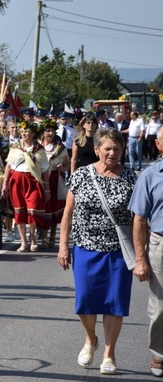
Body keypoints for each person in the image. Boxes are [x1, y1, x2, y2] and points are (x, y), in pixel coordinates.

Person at [57, 128, 136, 376]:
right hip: (85, 248)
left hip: (118, 251)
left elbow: (138, 218)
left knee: (115, 304)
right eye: (108, 148)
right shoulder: (81, 175)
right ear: (97, 150)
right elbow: (67, 213)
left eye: (117, 149)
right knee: (86, 301)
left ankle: (109, 354)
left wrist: (141, 252)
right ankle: (91, 339)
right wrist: (63, 246)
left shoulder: (132, 178)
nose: (112, 153)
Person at [130, 127, 163, 378]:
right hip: (160, 244)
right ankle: (160, 354)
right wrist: (140, 259)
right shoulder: (150, 176)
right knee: (160, 305)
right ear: (159, 145)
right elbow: (139, 219)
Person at [1, 121, 49, 252]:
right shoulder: (15, 147)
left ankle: (33, 237)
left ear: (33, 134)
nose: (23, 133)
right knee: (19, 211)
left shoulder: (39, 149)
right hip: (17, 181)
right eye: (22, 131)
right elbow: (9, 166)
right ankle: (23, 242)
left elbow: (45, 170)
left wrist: (47, 188)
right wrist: (5, 184)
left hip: (33, 181)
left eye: (26, 131)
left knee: (33, 210)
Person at [40, 119, 70, 249]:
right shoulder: (37, 146)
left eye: (52, 130)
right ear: (42, 132)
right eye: (47, 130)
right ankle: (42, 236)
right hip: (40, 180)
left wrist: (61, 167)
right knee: (42, 208)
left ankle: (51, 236)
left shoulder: (60, 147)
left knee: (53, 209)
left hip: (54, 180)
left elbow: (67, 165)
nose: (50, 133)